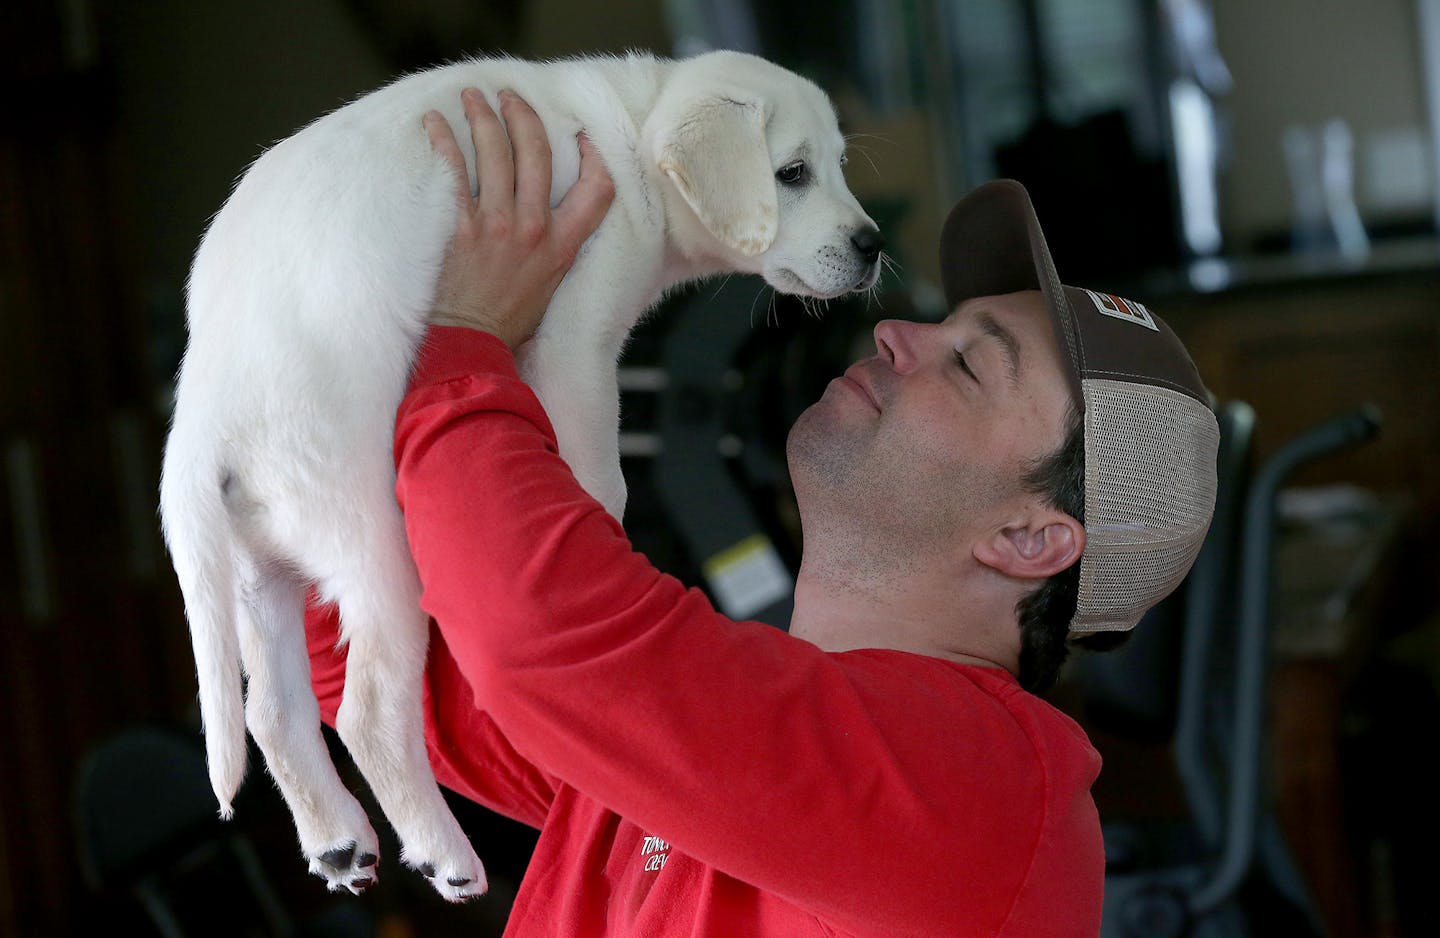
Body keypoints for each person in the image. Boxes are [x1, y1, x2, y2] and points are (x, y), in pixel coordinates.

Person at [305, 88, 1220, 937]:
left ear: (1028, 539)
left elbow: (539, 642)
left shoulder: (989, 785)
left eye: (971, 366)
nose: (897, 332)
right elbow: (383, 677)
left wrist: (464, 335)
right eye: (943, 321)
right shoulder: (730, 725)